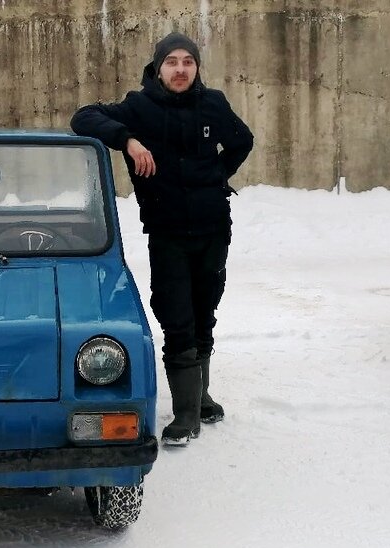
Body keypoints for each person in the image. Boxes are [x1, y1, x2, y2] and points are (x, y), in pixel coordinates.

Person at [70, 32, 254, 446]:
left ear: (196, 68)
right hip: (168, 234)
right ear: (158, 67)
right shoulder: (138, 107)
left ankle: (201, 397)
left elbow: (242, 140)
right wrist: (128, 141)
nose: (181, 69)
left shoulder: (213, 103)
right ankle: (186, 415)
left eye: (188, 62)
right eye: (172, 61)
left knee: (205, 312)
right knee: (176, 317)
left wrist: (216, 177)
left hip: (212, 230)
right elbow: (83, 117)